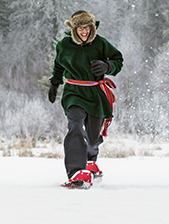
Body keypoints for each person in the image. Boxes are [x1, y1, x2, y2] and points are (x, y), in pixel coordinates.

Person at [49, 10, 123, 189]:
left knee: (92, 136)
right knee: (75, 126)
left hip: (95, 93)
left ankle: (90, 161)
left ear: (92, 28)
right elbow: (58, 64)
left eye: (87, 28)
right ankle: (75, 172)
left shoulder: (101, 43)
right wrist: (55, 82)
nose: (84, 32)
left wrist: (107, 65)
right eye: (80, 28)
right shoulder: (64, 45)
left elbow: (118, 60)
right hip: (74, 91)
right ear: (74, 29)